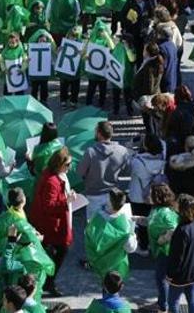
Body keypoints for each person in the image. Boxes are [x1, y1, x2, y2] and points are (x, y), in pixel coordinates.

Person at [30, 148, 75, 297]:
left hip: (48, 224)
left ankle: (47, 282)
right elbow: (49, 206)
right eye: (67, 165)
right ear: (59, 164)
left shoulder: (50, 175)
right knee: (60, 252)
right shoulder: (52, 181)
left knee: (54, 253)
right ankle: (48, 282)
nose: (69, 167)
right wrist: (66, 200)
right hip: (50, 226)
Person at [78, 121, 130, 221]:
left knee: (93, 229)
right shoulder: (122, 151)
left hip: (93, 195)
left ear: (99, 134)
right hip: (113, 196)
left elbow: (80, 172)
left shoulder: (90, 152)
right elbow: (127, 171)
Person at [85, 188, 137, 280]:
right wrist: (133, 234)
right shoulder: (126, 225)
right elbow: (131, 248)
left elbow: (89, 238)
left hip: (100, 264)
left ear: (109, 202)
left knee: (104, 286)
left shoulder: (96, 219)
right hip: (118, 267)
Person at [166, 195, 194, 313]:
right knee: (192, 298)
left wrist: (170, 274)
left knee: (173, 301)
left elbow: (177, 257)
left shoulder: (182, 230)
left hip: (181, 275)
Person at [128, 134, 165, 251]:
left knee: (140, 221)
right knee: (152, 219)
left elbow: (127, 159)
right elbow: (163, 144)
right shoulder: (162, 159)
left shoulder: (137, 161)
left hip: (138, 195)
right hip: (154, 195)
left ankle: (143, 246)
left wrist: (130, 145)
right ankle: (152, 242)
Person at [147, 184, 179, 313]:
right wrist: (137, 219)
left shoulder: (165, 213)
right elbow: (151, 221)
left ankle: (163, 306)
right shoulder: (158, 209)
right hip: (160, 250)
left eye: (150, 194)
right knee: (161, 278)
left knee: (161, 279)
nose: (148, 195)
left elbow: (174, 228)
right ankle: (162, 301)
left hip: (165, 251)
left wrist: (164, 238)